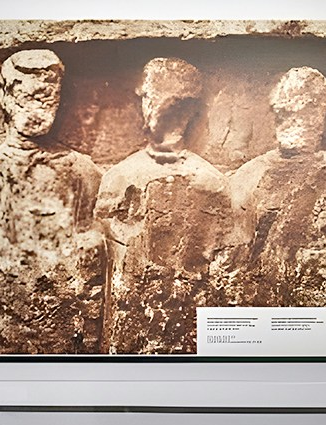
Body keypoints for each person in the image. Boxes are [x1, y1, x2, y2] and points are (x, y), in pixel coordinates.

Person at [0, 49, 106, 354]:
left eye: (48, 98)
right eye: (28, 97)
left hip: (64, 343)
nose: (38, 108)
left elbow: (96, 265)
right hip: (0, 343)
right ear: (3, 95)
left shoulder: (82, 172)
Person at [95, 57, 239, 353]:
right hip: (128, 328)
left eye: (154, 97)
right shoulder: (119, 177)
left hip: (189, 328)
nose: (146, 105)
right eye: (146, 96)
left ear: (185, 109)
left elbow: (225, 270)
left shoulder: (211, 183)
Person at [227, 66, 326, 307]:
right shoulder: (247, 175)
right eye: (285, 111)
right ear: (276, 112)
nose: (294, 119)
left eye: (306, 110)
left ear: (322, 117)